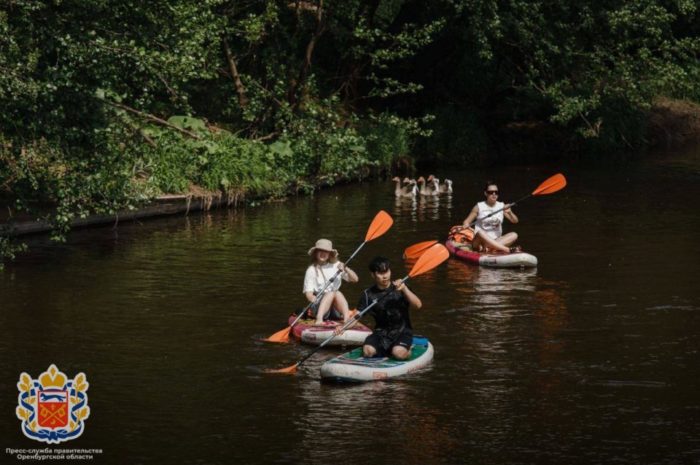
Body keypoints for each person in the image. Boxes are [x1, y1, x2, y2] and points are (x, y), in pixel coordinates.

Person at [354, 256, 422, 360]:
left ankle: (408, 350)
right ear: (373, 275)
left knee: (398, 354)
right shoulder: (368, 294)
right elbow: (357, 315)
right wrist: (343, 327)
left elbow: (418, 305)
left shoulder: (401, 287)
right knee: (368, 351)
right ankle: (385, 349)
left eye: (386, 272)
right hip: (381, 332)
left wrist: (405, 289)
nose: (385, 276)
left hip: (402, 331)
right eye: (380, 273)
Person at [303, 238, 358, 325]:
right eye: (320, 250)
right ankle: (319, 319)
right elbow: (308, 293)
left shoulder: (337, 266)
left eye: (326, 251)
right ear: (316, 253)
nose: (323, 253)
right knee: (332, 293)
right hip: (318, 306)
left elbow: (355, 279)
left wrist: (346, 268)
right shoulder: (311, 270)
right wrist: (312, 298)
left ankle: (346, 318)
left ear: (329, 254)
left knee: (337, 293)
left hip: (335, 309)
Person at [461, 181, 519, 253]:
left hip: (497, 240)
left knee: (514, 235)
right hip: (480, 242)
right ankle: (506, 249)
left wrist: (510, 213)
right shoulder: (478, 206)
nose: (494, 194)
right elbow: (466, 221)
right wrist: (466, 224)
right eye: (491, 192)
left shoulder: (502, 206)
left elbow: (515, 221)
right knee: (480, 232)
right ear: (486, 193)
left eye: (496, 192)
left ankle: (490, 248)